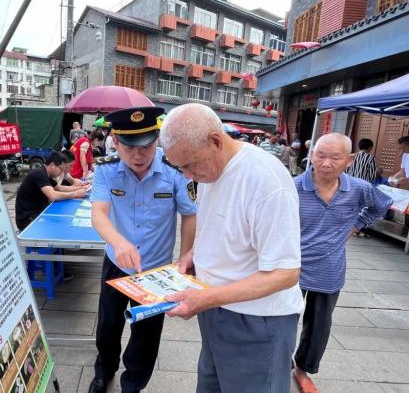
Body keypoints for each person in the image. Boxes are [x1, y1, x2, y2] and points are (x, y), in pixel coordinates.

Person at [159, 103, 303, 393]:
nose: (187, 175)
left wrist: (207, 298)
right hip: (215, 308)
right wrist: (193, 256)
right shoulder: (209, 170)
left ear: (215, 140)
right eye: (179, 167)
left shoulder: (266, 182)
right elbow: (218, 225)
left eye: (190, 165)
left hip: (257, 320)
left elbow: (286, 273)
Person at [89, 106, 197, 393]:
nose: (139, 155)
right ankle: (104, 371)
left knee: (146, 335)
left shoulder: (175, 170)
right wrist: (118, 241)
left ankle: (133, 384)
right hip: (117, 262)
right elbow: (98, 214)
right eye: (129, 146)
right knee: (108, 325)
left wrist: (186, 253)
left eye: (147, 146)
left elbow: (190, 213)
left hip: (156, 269)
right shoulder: (107, 169)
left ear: (157, 140)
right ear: (115, 140)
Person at [292, 133, 392, 393]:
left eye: (334, 157)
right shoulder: (293, 186)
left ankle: (302, 369)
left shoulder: (359, 188)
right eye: (320, 155)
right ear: (311, 155)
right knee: (282, 319)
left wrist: (356, 225)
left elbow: (381, 206)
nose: (325, 163)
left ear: (349, 160)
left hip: (329, 269)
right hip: (290, 269)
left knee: (319, 325)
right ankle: (277, 363)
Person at [15, 151, 87, 231]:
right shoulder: (39, 174)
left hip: (38, 213)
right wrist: (75, 194)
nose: (61, 173)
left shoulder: (46, 174)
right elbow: (53, 196)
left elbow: (59, 188)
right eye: (61, 169)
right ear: (52, 165)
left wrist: (83, 188)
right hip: (28, 219)